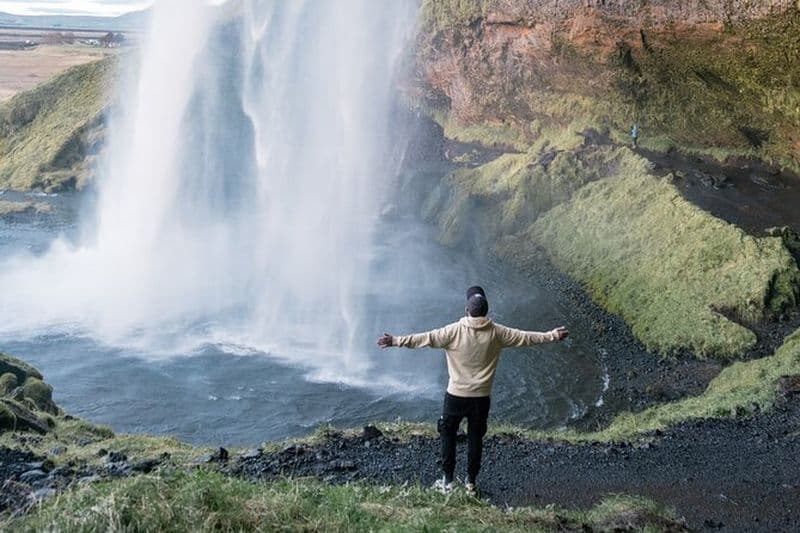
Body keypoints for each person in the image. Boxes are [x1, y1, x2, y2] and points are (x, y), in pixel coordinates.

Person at [376, 286, 568, 495]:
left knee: (447, 436)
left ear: (466, 310)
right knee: (475, 439)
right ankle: (471, 483)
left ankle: (447, 482)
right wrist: (552, 335)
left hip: (455, 397)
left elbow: (425, 338)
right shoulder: (498, 332)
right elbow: (526, 337)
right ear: (486, 311)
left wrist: (395, 340)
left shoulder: (453, 331)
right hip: (481, 398)